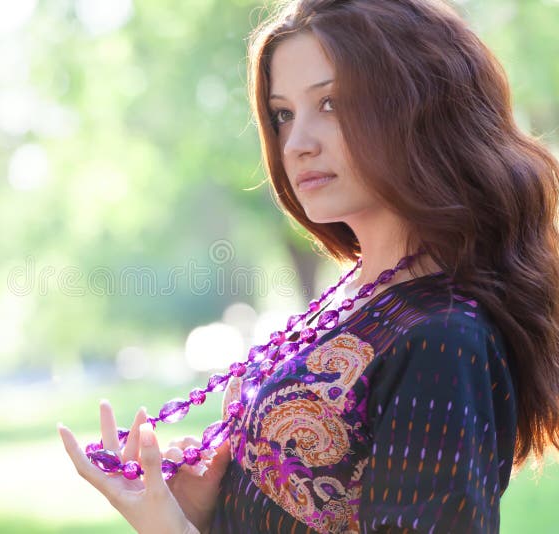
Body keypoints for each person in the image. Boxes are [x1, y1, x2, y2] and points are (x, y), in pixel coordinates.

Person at [58, 0, 559, 532]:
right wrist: (207, 512)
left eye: (332, 104)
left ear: (420, 107)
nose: (296, 144)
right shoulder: (359, 298)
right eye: (283, 114)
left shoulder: (445, 335)